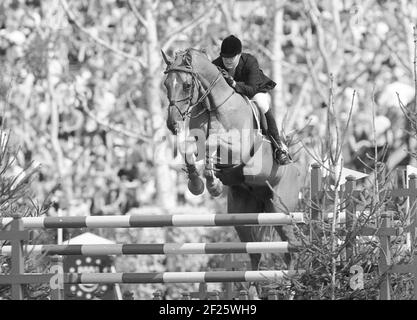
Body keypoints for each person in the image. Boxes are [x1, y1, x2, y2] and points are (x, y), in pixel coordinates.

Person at [212, 35, 291, 165]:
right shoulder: (216, 65)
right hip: (230, 97)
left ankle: (278, 147)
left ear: (239, 54)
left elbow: (252, 89)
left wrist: (233, 83)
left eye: (231, 57)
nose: (228, 61)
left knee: (262, 103)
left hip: (254, 90)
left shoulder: (250, 61)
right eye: (225, 57)